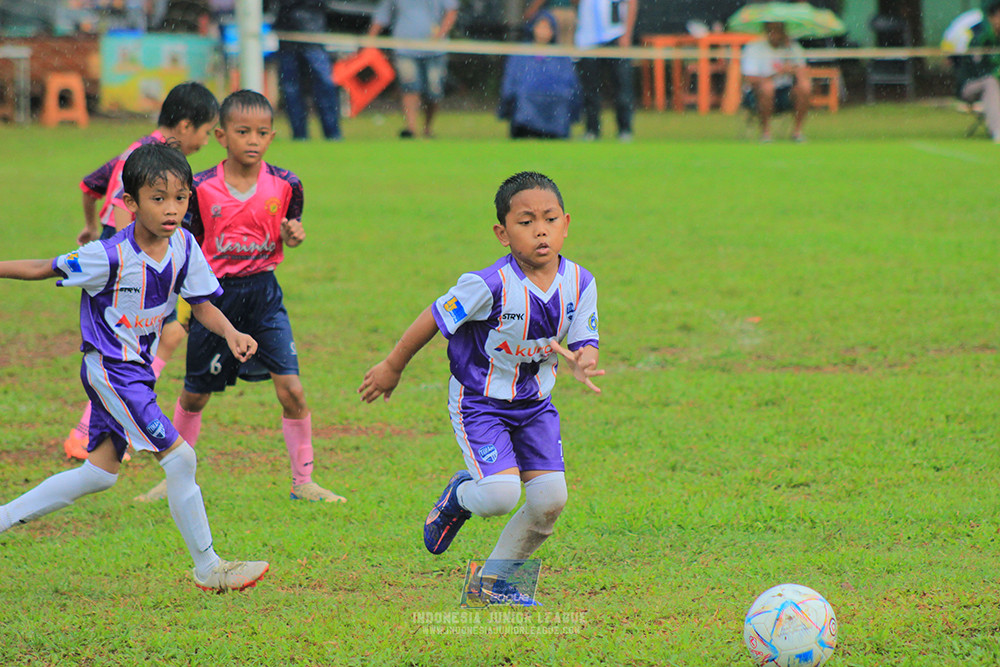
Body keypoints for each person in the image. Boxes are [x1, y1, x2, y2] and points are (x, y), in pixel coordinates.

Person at [0, 142, 269, 593]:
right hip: (110, 368)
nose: (171, 209)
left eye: (181, 198)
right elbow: (43, 267)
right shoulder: (107, 255)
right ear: (130, 203)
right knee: (181, 458)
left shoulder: (184, 244)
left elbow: (200, 303)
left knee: (99, 474)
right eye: (158, 198)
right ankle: (209, 568)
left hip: (136, 371)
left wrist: (231, 333)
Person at [359, 171, 603, 606]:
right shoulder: (487, 285)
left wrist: (585, 358)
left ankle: (492, 585)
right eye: (525, 222)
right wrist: (392, 365)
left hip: (534, 405)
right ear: (502, 234)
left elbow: (585, 339)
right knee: (498, 496)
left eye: (549, 219)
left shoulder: (580, 282)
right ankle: (459, 495)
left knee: (550, 500)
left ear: (566, 223)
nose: (540, 230)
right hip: (481, 402)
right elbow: (433, 318)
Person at [135, 90, 346, 504]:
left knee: (293, 390)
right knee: (195, 393)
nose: (253, 140)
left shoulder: (286, 184)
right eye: (243, 131)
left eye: (263, 132)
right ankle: (174, 479)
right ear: (221, 135)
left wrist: (293, 234)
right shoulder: (199, 187)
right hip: (215, 299)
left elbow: (291, 225)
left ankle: (303, 482)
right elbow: (184, 239)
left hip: (265, 294)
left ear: (271, 136)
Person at [64, 81, 219, 461]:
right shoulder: (145, 159)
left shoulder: (140, 154)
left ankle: (107, 426)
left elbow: (90, 184)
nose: (204, 141)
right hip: (130, 268)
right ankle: (92, 431)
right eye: (203, 131)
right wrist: (127, 258)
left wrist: (88, 226)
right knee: (138, 347)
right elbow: (120, 207)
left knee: (158, 340)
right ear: (184, 126)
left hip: (140, 261)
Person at [366, 0, 459, 139]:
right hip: (405, 49)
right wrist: (370, 39)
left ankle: (427, 128)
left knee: (434, 91)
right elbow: (382, 14)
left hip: (435, 51)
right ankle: (411, 128)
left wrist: (441, 33)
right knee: (410, 87)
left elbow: (451, 11)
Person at [499, 11, 581, 139]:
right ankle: (526, 130)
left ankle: (554, 131)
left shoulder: (561, 55)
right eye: (540, 26)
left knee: (561, 97)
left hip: (556, 96)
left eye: (547, 27)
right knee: (524, 95)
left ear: (553, 31)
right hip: (527, 96)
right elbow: (510, 81)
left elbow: (571, 82)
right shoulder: (521, 52)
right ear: (533, 28)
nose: (543, 31)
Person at [271, 0, 343, 141]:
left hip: (312, 32)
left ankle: (332, 134)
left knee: (324, 86)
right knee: (292, 90)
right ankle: (300, 135)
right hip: (289, 35)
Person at [574, 0, 639, 142]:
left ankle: (625, 130)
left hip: (614, 36)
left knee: (622, 85)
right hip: (587, 39)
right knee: (590, 88)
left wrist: (627, 34)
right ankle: (592, 130)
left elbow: (631, 3)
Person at [740, 22, 811, 143]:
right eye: (772, 30)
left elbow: (804, 72)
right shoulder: (754, 48)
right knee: (767, 88)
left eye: (779, 30)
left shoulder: (793, 48)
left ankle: (797, 132)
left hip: (785, 92)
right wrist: (776, 74)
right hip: (757, 95)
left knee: (805, 86)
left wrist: (793, 70)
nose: (776, 34)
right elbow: (749, 78)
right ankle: (766, 133)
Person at [956, 1, 1000, 143]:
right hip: (970, 86)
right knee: (990, 82)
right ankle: (997, 131)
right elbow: (980, 71)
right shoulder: (979, 37)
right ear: (992, 17)